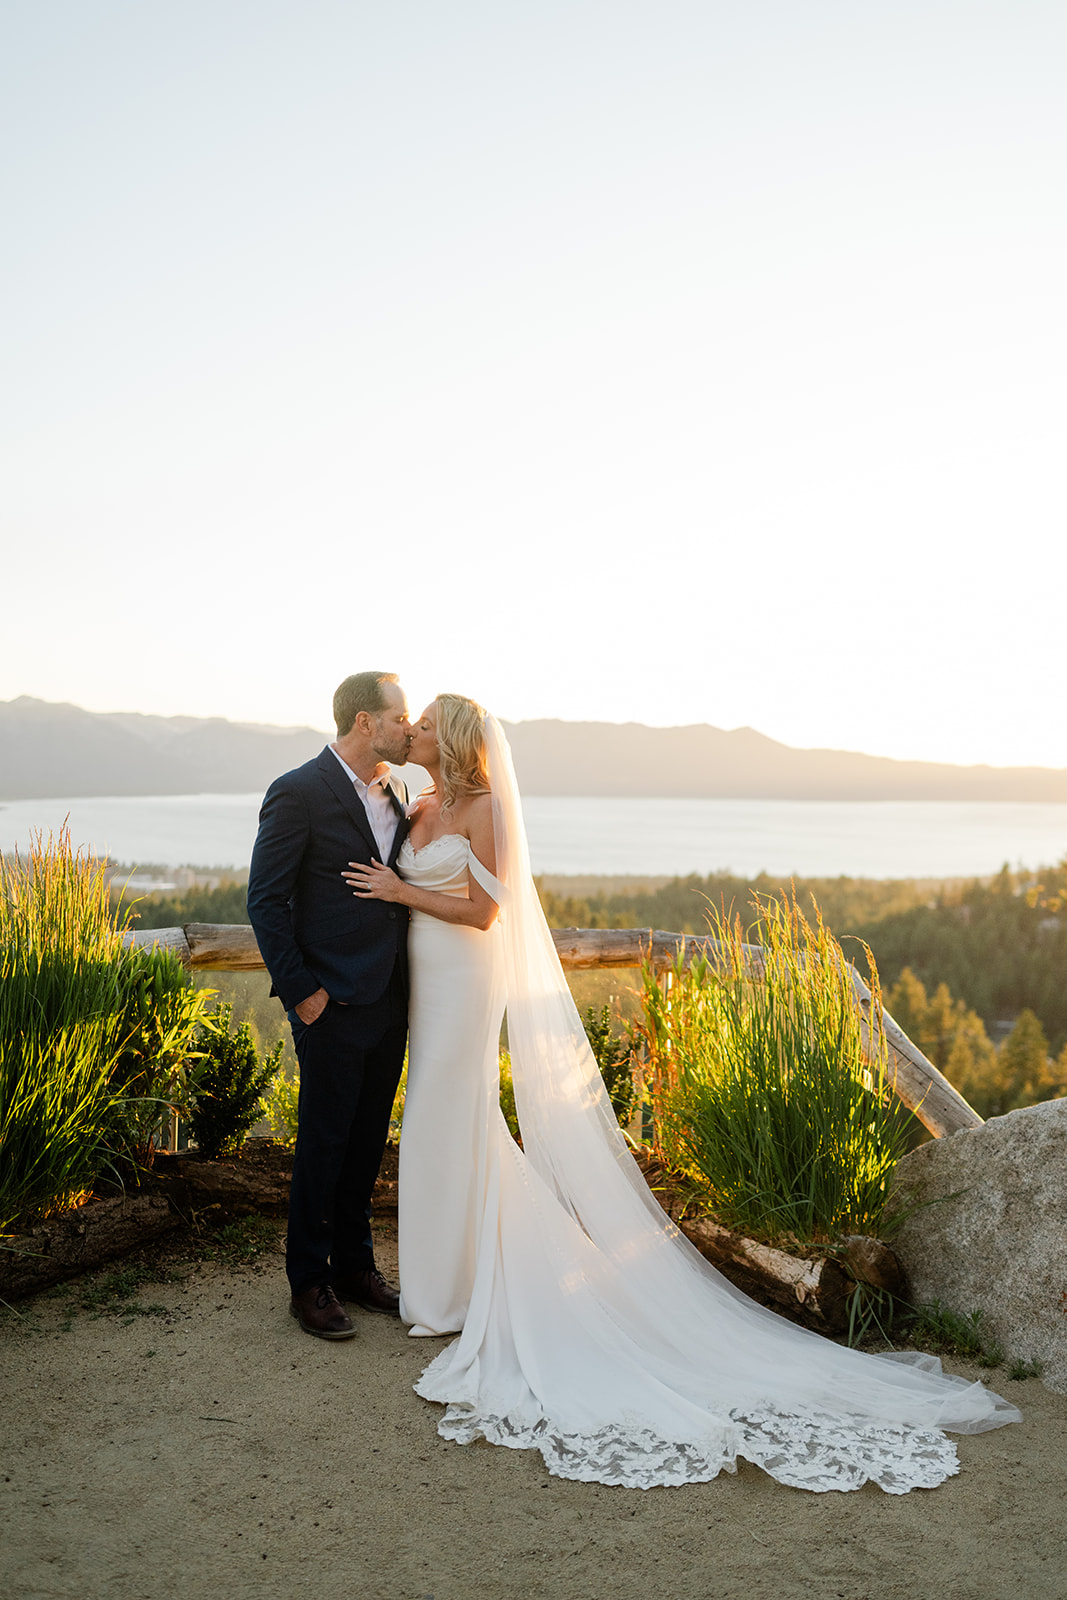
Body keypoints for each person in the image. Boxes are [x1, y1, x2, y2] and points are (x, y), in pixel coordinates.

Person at [343, 696, 1022, 1491]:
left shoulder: (485, 807)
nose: (412, 728)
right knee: (437, 1123)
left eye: (424, 721)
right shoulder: (421, 801)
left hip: (463, 974)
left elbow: (488, 911)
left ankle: (455, 1294)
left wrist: (401, 895)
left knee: (447, 1114)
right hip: (424, 974)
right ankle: (446, 1284)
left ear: (451, 737)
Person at [247, 671, 412, 1340]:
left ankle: (355, 1267)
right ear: (364, 722)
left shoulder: (400, 789)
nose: (408, 727)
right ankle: (308, 1284)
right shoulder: (297, 790)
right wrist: (302, 993)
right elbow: (266, 900)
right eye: (399, 716)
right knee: (322, 1144)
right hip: (330, 1002)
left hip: (390, 999)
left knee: (368, 1141)